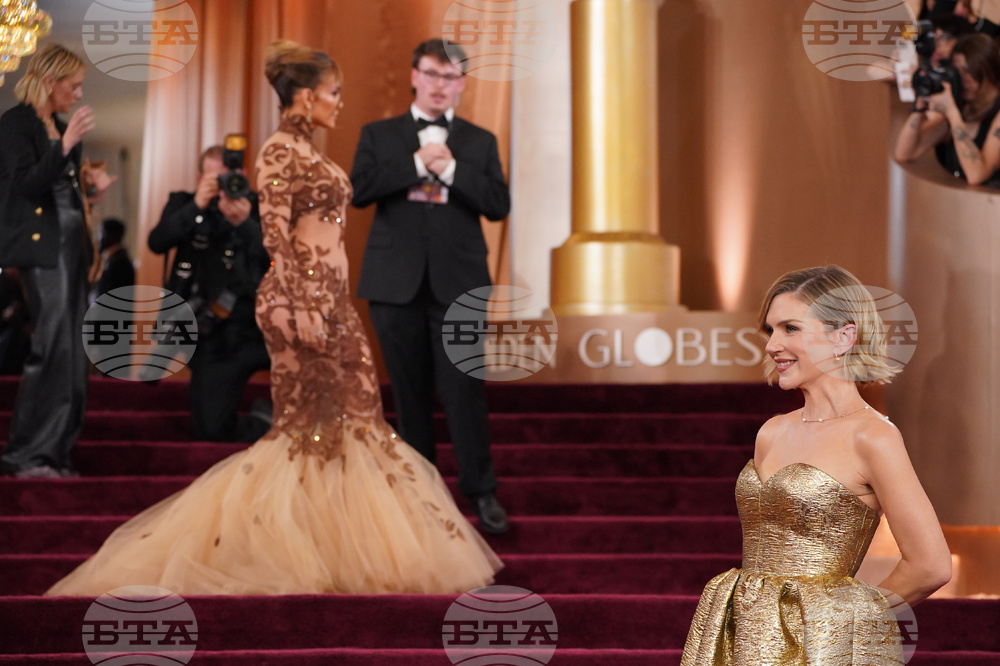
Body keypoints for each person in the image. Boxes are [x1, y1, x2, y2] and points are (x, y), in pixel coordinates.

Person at [46, 40, 502, 597]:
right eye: (333, 93)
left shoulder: (308, 149)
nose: (339, 101)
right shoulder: (282, 150)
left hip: (330, 305)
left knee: (350, 428)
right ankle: (276, 549)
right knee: (307, 432)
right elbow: (277, 236)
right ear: (307, 96)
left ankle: (332, 547)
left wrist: (323, 301)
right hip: (302, 302)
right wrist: (302, 302)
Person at [681, 265, 952, 665]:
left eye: (790, 328)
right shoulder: (771, 431)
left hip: (817, 650)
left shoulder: (873, 437)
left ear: (844, 336)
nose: (773, 344)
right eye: (770, 330)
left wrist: (844, 623)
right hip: (738, 631)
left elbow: (931, 565)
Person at [350, 38, 512, 535]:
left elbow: (497, 204)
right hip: (393, 283)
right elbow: (360, 190)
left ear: (461, 84)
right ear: (415, 76)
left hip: (460, 285)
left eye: (450, 77)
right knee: (408, 391)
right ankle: (419, 493)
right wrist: (419, 163)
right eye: (432, 74)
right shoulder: (379, 134)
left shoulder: (480, 141)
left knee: (464, 388)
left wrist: (452, 168)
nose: (441, 85)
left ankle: (481, 491)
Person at [0, 44, 115, 479]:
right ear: (50, 81)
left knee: (73, 352)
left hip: (72, 249)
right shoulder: (16, 123)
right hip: (41, 252)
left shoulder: (61, 128)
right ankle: (27, 454)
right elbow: (27, 186)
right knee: (52, 347)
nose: (79, 93)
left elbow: (59, 191)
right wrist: (65, 146)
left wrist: (90, 193)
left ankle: (55, 452)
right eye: (74, 85)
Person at [147, 145, 271, 443]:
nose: (223, 187)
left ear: (242, 175)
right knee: (211, 431)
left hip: (261, 329)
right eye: (215, 180)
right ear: (201, 178)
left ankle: (276, 419)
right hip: (211, 333)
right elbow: (157, 241)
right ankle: (263, 423)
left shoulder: (262, 206)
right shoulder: (185, 204)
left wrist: (245, 224)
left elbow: (282, 259)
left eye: (229, 178)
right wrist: (196, 207)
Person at [895, 32, 1000, 187]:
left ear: (988, 70)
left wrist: (952, 114)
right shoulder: (961, 107)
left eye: (968, 71)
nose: (962, 79)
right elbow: (905, 153)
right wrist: (919, 107)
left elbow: (976, 175)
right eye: (958, 72)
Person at [91, 217, 135, 300]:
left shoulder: (120, 263)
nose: (98, 239)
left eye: (101, 233)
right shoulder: (112, 259)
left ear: (112, 235)